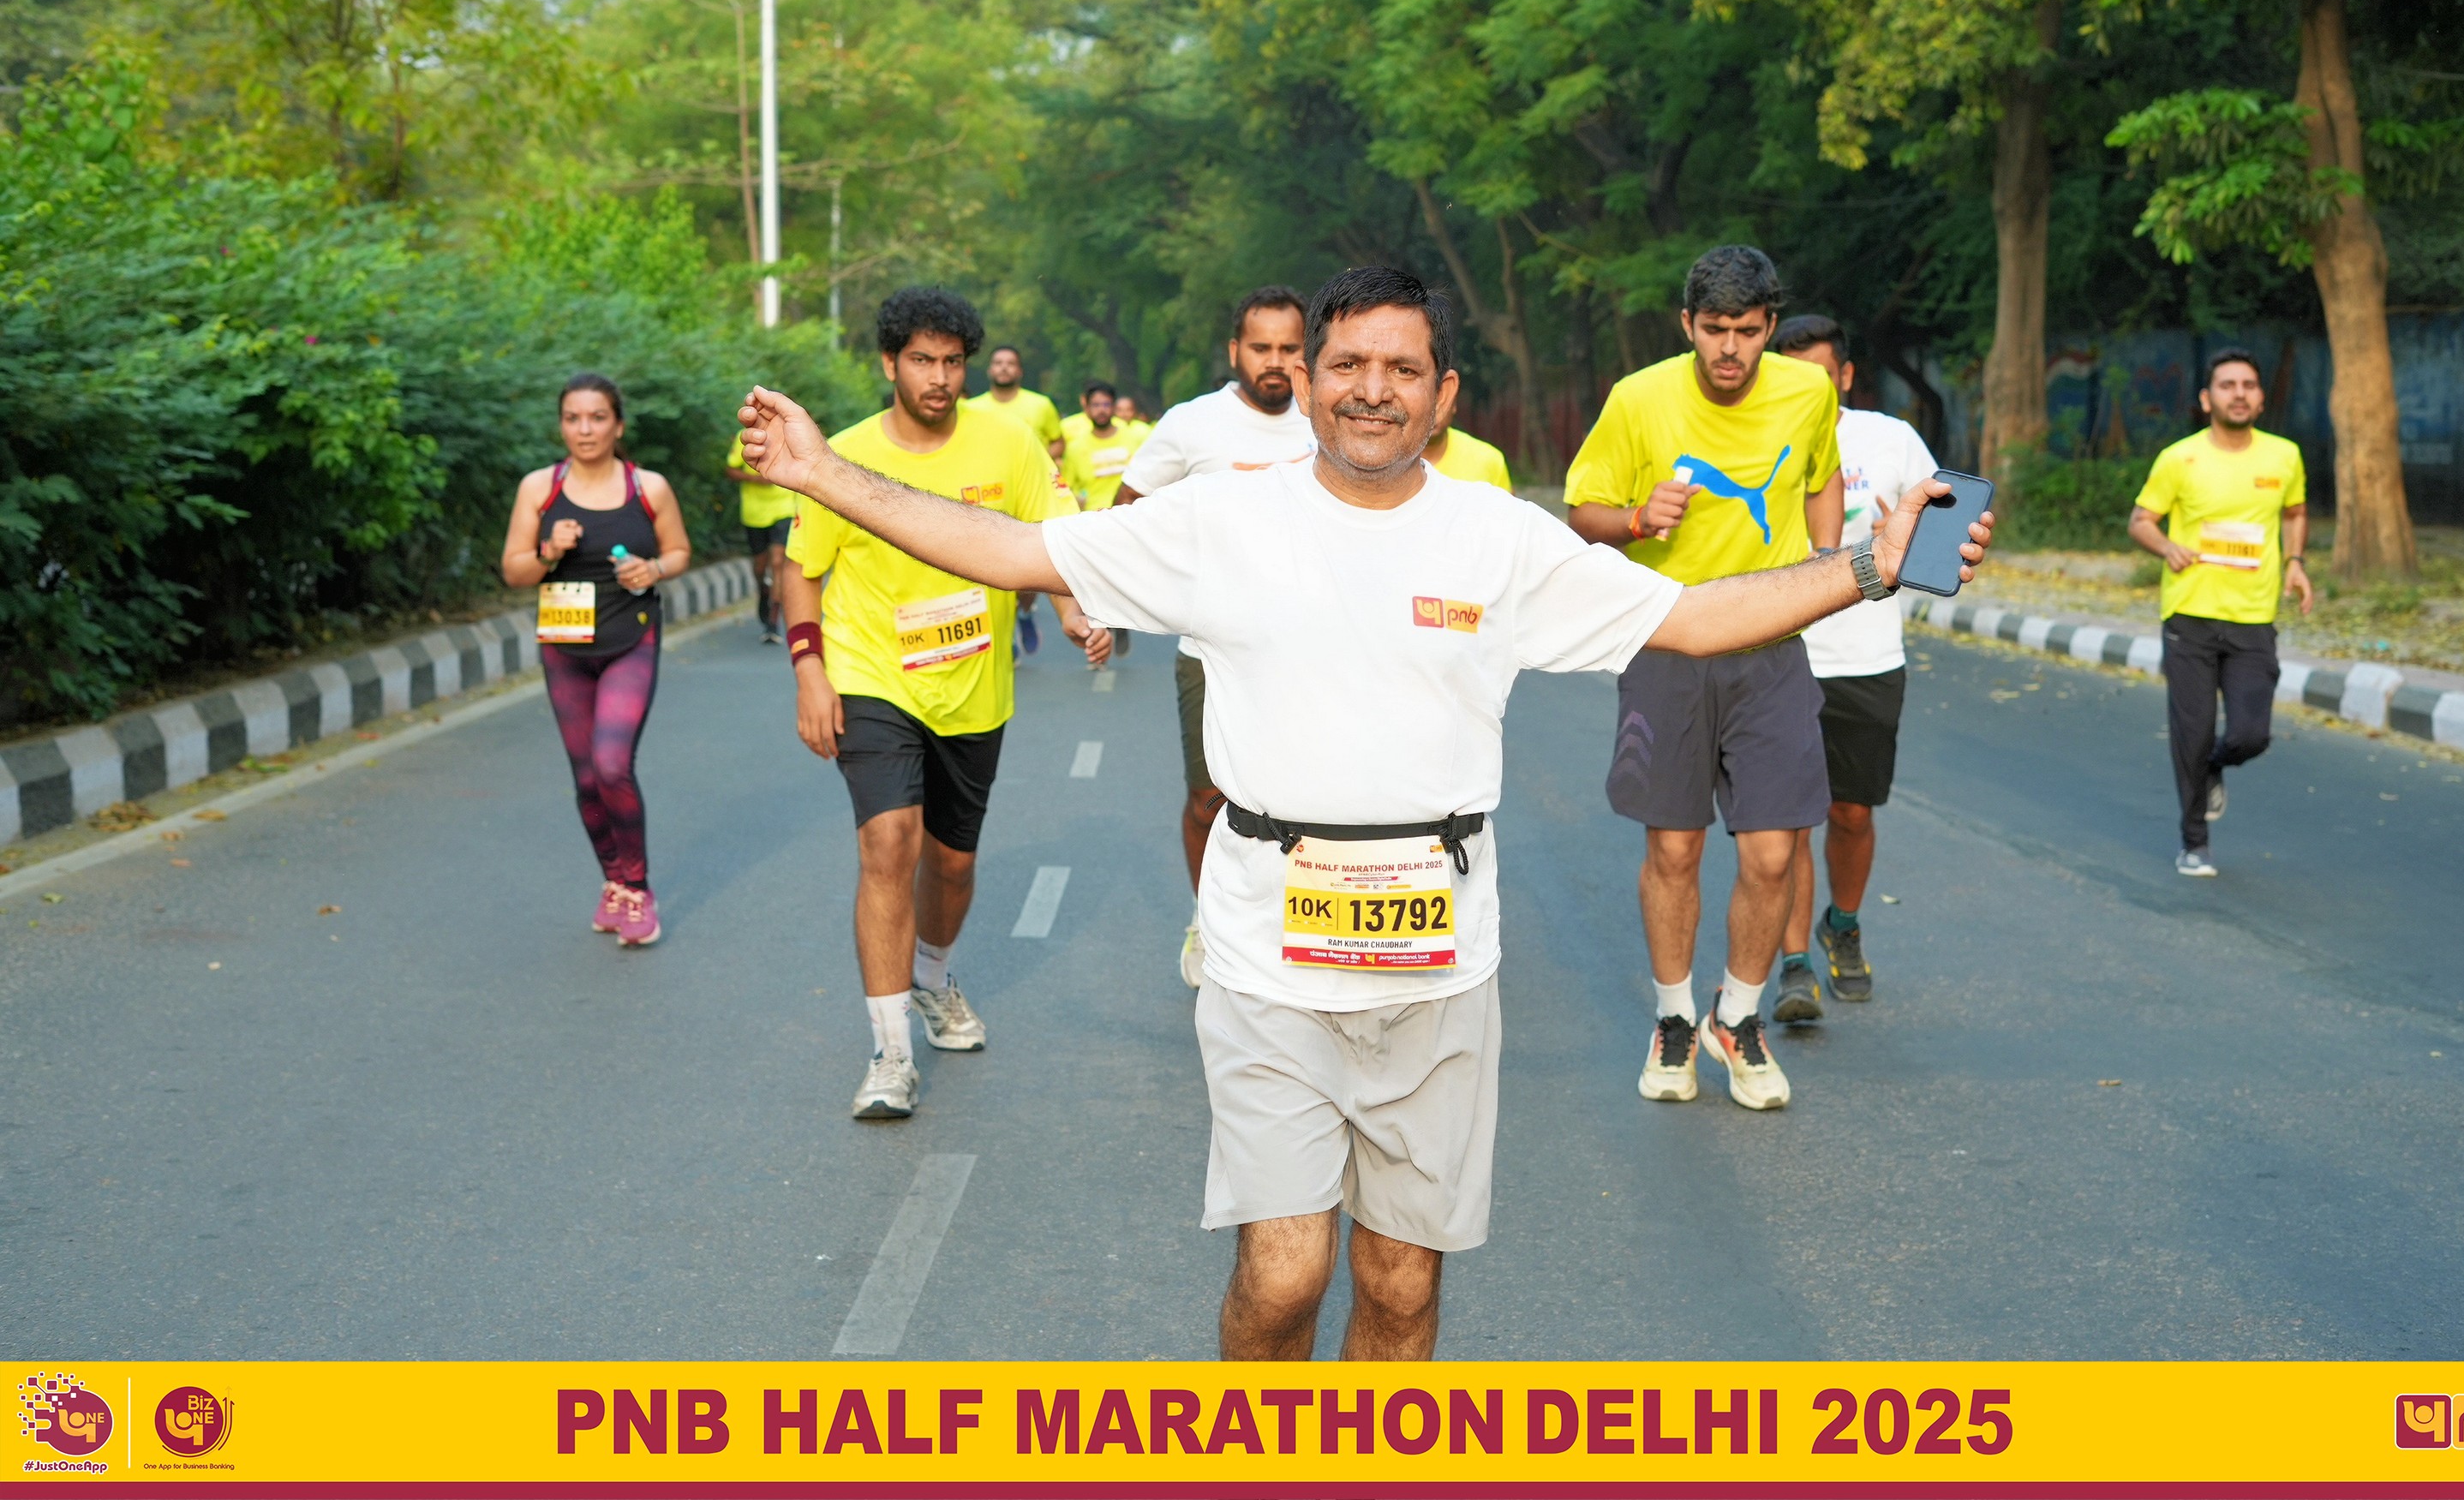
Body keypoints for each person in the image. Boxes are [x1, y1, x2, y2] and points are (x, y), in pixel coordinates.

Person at [736, 263, 1986, 1361]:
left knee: (1400, 1283)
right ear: (1308, 383)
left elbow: (1697, 619)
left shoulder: (1499, 537)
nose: (1372, 390)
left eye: (1403, 369)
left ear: (1444, 396)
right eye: (1346, 365)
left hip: (1441, 965)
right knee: (1286, 1274)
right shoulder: (1224, 521)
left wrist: (1869, 566)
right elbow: (1012, 550)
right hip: (1268, 957)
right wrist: (822, 472)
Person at [780, 288, 1110, 1121]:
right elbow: (801, 567)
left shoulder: (1009, 444)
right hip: (872, 672)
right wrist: (811, 671)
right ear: (889, 363)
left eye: (952, 361)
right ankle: (890, 1052)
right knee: (888, 841)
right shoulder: (843, 456)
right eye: (922, 360)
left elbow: (1052, 539)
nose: (939, 377)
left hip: (972, 684)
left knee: (952, 863)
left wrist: (1074, 611)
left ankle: (931, 975)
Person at [1562, 245, 1844, 1111]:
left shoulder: (1809, 391)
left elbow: (1822, 475)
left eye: (1747, 331)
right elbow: (1581, 512)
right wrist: (1637, 518)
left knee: (1773, 851)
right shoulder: (1637, 398)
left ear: (1770, 327)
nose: (1730, 348)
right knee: (1675, 848)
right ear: (1687, 323)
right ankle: (1675, 1017)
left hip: (1772, 647)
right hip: (1668, 642)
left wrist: (1827, 558)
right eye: (1714, 329)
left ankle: (1740, 1016)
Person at [1114, 284, 1317, 989]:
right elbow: (1126, 512)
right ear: (1235, 351)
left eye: (1289, 348)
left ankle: (1289, 924)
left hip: (1310, 655)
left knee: (1303, 802)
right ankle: (1208, 918)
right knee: (1211, 800)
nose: (1275, 361)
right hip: (1211, 653)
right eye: (1261, 347)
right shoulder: (1192, 425)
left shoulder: (1328, 421)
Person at [1768, 315, 1939, 1020]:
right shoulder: (1757, 435)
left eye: (1818, 375)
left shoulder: (1891, 439)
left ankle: (1841, 924)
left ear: (1843, 376)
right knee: (1787, 822)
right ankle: (1794, 967)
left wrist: (1909, 541)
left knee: (1851, 812)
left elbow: (1942, 536)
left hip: (1867, 662)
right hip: (1780, 655)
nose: (1805, 388)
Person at [502, 373, 693, 947]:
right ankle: (613, 881)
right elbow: (514, 571)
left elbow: (680, 551)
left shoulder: (648, 488)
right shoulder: (539, 488)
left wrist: (652, 569)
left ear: (618, 425)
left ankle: (637, 888)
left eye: (597, 418)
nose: (584, 429)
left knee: (612, 764)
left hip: (630, 640)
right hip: (564, 648)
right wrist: (548, 552)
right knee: (586, 778)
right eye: (573, 418)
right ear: (562, 425)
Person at [2128, 349, 2312, 879]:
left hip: (2254, 616)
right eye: (2228, 385)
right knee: (2193, 729)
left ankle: (2213, 765)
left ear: (2261, 398)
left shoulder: (2284, 456)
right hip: (2190, 613)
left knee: (2251, 734)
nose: (2239, 393)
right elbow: (2141, 520)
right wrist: (2167, 547)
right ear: (2207, 399)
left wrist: (2296, 562)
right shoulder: (2179, 459)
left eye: (2248, 385)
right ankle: (2194, 841)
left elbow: (2295, 513)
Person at [969, 345, 1063, 655]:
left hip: (1029, 497)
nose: (1004, 368)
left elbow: (1058, 442)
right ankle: (1004, 635)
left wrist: (1033, 463)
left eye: (1010, 363)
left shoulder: (1040, 405)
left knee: (1027, 570)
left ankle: (1024, 612)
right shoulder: (973, 408)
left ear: (1020, 371)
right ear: (990, 369)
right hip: (987, 497)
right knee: (988, 568)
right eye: (998, 362)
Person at [727, 428, 796, 643]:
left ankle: (773, 622)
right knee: (760, 566)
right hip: (754, 513)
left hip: (784, 509)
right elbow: (730, 470)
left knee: (778, 562)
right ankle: (764, 591)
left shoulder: (790, 434)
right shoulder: (746, 436)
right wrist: (755, 479)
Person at [1059, 380, 1153, 511]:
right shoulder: (1075, 448)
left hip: (1131, 513)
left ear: (1114, 407)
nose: (1101, 410)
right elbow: (1066, 490)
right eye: (1096, 405)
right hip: (1093, 517)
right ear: (1087, 409)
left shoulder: (1136, 438)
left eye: (1106, 404)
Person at [1424, 387, 1512, 493]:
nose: (1433, 413)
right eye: (1426, 404)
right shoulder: (1403, 462)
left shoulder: (1489, 459)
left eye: (1440, 403)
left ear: (1454, 404)